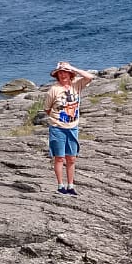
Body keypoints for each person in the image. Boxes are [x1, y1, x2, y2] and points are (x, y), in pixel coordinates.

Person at [43, 60, 95, 195]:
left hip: (73, 127)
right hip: (57, 128)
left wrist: (72, 68)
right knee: (59, 157)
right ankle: (60, 186)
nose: (62, 75)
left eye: (65, 72)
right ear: (57, 75)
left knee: (71, 158)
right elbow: (47, 109)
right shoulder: (53, 90)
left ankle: (70, 185)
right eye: (60, 72)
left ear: (70, 74)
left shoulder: (76, 85)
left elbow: (90, 77)